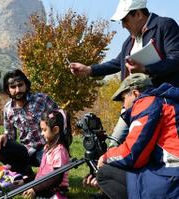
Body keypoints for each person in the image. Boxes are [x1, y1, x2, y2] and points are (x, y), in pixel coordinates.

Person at [70, 0, 179, 147]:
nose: (123, 25)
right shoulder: (128, 42)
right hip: (131, 104)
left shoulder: (165, 26)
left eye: (125, 20)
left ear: (139, 14)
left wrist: (147, 69)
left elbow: (176, 59)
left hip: (160, 105)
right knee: (114, 145)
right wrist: (89, 70)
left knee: (151, 149)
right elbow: (116, 63)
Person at [91, 73, 179, 199]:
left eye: (123, 99)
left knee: (105, 173)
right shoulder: (169, 101)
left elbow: (132, 155)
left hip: (172, 179)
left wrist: (105, 157)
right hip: (171, 173)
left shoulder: (146, 102)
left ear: (135, 94)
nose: (123, 106)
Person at [0, 69, 58, 178]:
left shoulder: (41, 100)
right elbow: (11, 137)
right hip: (25, 151)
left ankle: (45, 171)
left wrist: (59, 146)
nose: (17, 90)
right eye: (13, 87)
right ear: (8, 90)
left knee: (51, 174)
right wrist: (4, 136)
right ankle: (25, 171)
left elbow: (61, 119)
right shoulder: (8, 109)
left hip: (46, 149)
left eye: (20, 85)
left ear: (26, 85)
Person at [23, 109, 72, 199]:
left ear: (56, 130)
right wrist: (25, 181)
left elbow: (56, 178)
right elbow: (42, 175)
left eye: (44, 130)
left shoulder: (59, 151)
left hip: (54, 189)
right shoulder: (47, 148)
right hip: (43, 187)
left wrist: (35, 189)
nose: (42, 133)